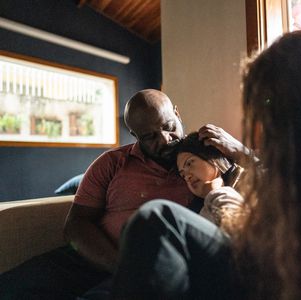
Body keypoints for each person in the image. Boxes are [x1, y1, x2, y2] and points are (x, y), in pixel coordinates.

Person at [110, 29, 301, 300]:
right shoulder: (298, 161)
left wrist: (229, 172)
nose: (262, 121)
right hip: (284, 268)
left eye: (270, 103)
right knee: (155, 223)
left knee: (158, 218)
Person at [0, 89, 250, 300]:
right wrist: (119, 265)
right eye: (150, 137)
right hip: (96, 257)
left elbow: (275, 185)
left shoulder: (202, 157)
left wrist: (240, 151)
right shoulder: (112, 162)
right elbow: (76, 225)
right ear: (135, 136)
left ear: (177, 113)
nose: (164, 140)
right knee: (12, 286)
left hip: (156, 264)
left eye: (169, 127)